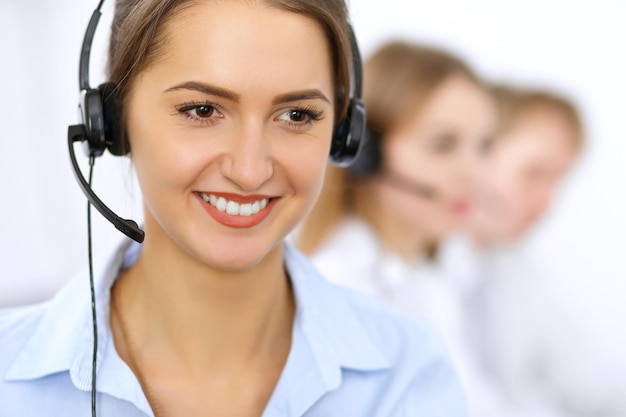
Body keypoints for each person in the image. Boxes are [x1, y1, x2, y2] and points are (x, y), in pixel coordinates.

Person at [0, 1, 467, 416]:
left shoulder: (406, 373)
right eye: (202, 110)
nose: (249, 170)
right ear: (113, 123)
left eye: (296, 115)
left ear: (342, 136)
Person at [294, 41, 500, 415]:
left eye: (483, 145)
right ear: (364, 154)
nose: (474, 173)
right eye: (443, 145)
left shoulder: (430, 279)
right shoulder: (339, 291)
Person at [441, 84, 626, 416]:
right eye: (534, 174)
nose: (547, 202)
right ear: (478, 154)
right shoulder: (413, 270)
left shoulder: (517, 269)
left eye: (557, 180)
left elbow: (595, 387)